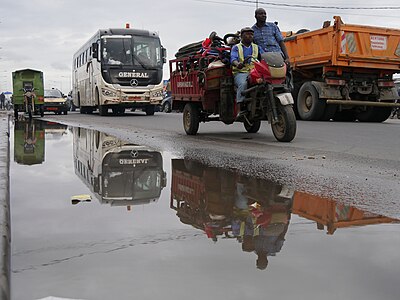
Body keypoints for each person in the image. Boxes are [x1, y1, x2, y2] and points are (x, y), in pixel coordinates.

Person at [230, 27, 264, 114]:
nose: (250, 36)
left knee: (266, 82)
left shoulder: (257, 47)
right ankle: (240, 108)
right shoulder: (236, 47)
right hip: (241, 72)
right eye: (247, 34)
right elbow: (233, 59)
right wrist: (238, 64)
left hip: (255, 72)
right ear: (241, 36)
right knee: (243, 84)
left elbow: (264, 56)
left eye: (251, 34)